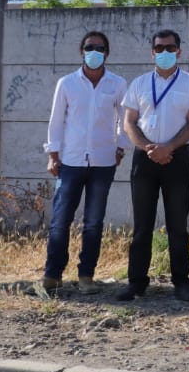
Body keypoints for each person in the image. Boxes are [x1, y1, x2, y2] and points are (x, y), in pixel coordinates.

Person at [118, 29, 189, 302]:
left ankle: (181, 283)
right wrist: (149, 148)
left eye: (170, 48)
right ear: (152, 52)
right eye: (159, 48)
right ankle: (136, 283)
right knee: (142, 225)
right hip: (144, 159)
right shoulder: (140, 83)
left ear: (179, 51)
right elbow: (129, 122)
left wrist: (169, 148)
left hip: (176, 158)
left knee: (177, 224)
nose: (164, 53)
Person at [41, 31, 129, 295]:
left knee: (93, 222)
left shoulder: (117, 84)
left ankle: (86, 276)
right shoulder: (67, 83)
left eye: (100, 48)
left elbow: (124, 120)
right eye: (89, 47)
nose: (94, 52)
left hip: (103, 162)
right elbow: (56, 120)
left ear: (107, 53)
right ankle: (52, 275)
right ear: (82, 51)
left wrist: (120, 149)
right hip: (70, 162)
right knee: (60, 220)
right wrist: (52, 154)